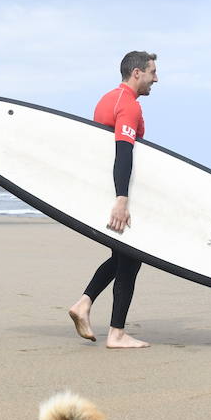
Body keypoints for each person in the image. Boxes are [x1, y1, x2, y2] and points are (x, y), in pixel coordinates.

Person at [68, 52, 158, 349]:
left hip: (105, 190)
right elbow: (123, 153)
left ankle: (84, 304)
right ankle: (116, 333)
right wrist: (122, 199)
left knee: (122, 257)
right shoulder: (128, 106)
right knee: (131, 259)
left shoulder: (108, 99)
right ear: (136, 73)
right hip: (117, 193)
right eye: (152, 72)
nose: (155, 79)